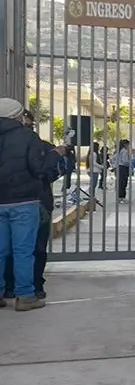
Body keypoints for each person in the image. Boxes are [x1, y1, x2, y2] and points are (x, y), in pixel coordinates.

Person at [0, 98, 63, 311]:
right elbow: (40, 168)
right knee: (23, 250)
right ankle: (25, 296)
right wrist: (55, 155)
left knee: (0, 250)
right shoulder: (28, 137)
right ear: (18, 116)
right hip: (24, 201)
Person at [114, 139, 132, 203]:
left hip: (119, 167)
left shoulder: (119, 151)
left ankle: (119, 197)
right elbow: (125, 161)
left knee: (120, 183)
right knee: (123, 183)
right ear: (125, 144)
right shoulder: (125, 151)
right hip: (123, 168)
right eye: (128, 144)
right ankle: (122, 197)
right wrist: (130, 162)